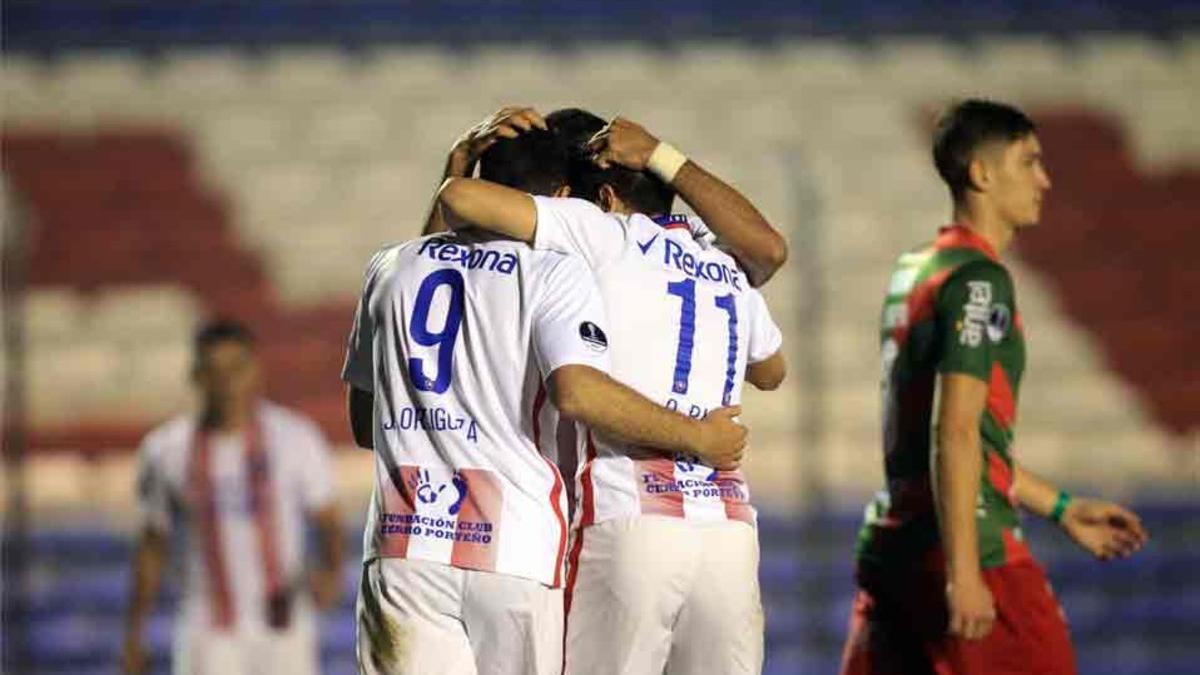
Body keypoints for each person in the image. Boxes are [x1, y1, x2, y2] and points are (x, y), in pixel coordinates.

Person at [344, 128, 748, 675]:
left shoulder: (390, 268)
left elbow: (365, 426)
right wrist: (699, 436)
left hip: (405, 545)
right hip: (514, 546)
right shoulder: (554, 271)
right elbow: (578, 390)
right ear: (558, 198)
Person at [436, 112, 787, 675]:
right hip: (726, 531)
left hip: (631, 514)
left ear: (603, 194)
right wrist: (661, 153)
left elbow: (467, 202)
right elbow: (770, 368)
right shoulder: (720, 262)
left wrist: (459, 162)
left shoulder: (602, 232)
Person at [838, 99, 1150, 675]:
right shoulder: (980, 280)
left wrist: (1061, 507)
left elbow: (962, 441)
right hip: (968, 547)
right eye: (1029, 162)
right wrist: (964, 572)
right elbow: (953, 429)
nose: (1045, 179)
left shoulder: (917, 268)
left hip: (893, 546)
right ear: (982, 174)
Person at [123, 320, 343, 675]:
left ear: (255, 370)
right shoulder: (166, 450)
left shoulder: (295, 438)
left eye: (236, 368)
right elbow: (152, 543)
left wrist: (330, 569)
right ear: (196, 376)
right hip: (206, 627)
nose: (225, 383)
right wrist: (134, 633)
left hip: (283, 622)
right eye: (213, 371)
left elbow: (328, 519)